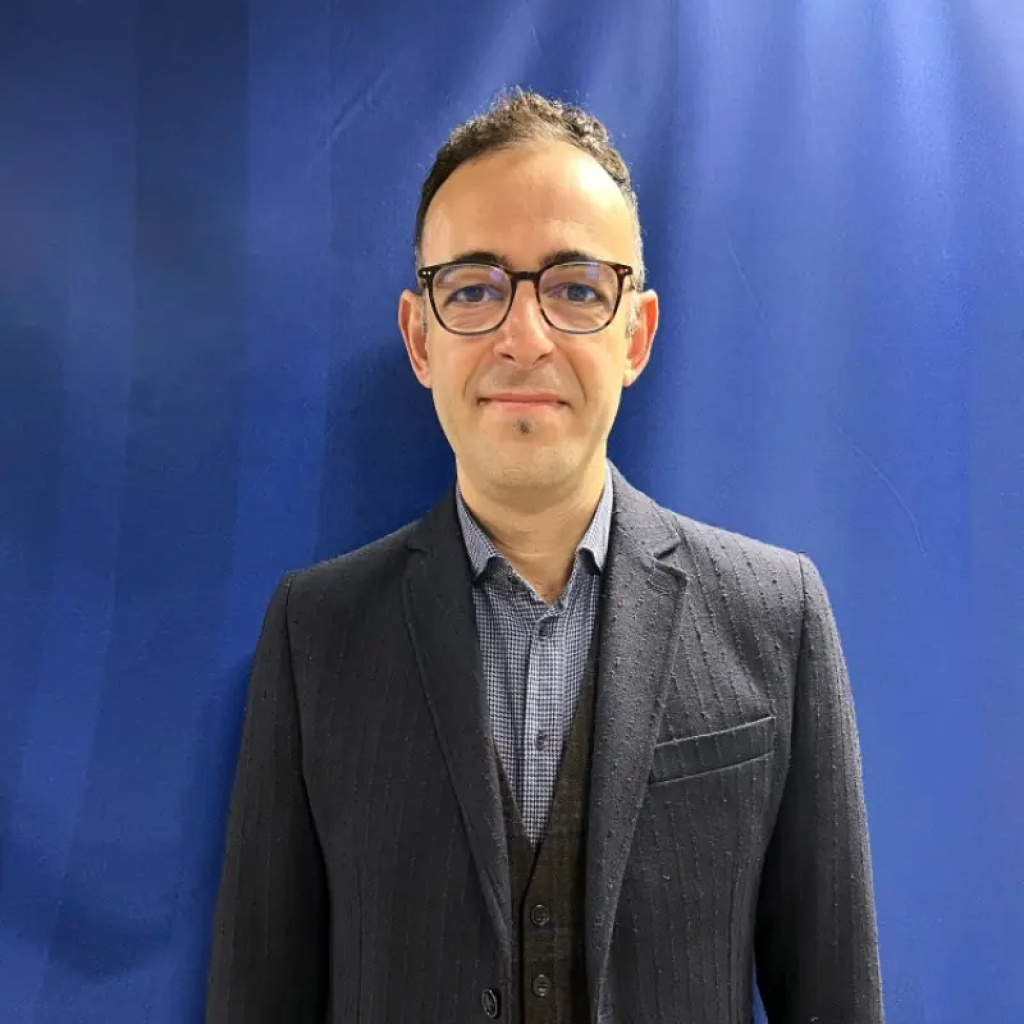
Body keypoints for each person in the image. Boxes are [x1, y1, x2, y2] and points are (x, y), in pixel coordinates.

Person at [206, 88, 884, 1024]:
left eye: (575, 289)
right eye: (473, 289)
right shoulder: (314, 635)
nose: (523, 338)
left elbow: (836, 997)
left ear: (636, 334)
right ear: (419, 338)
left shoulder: (779, 620)